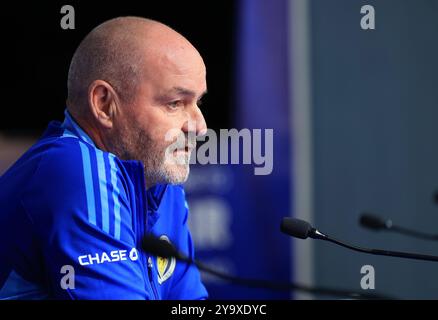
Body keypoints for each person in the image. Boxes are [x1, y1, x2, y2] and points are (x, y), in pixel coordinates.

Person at [0, 16, 208, 300]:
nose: (199, 126)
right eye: (175, 103)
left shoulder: (162, 186)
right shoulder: (76, 171)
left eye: (198, 102)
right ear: (104, 104)